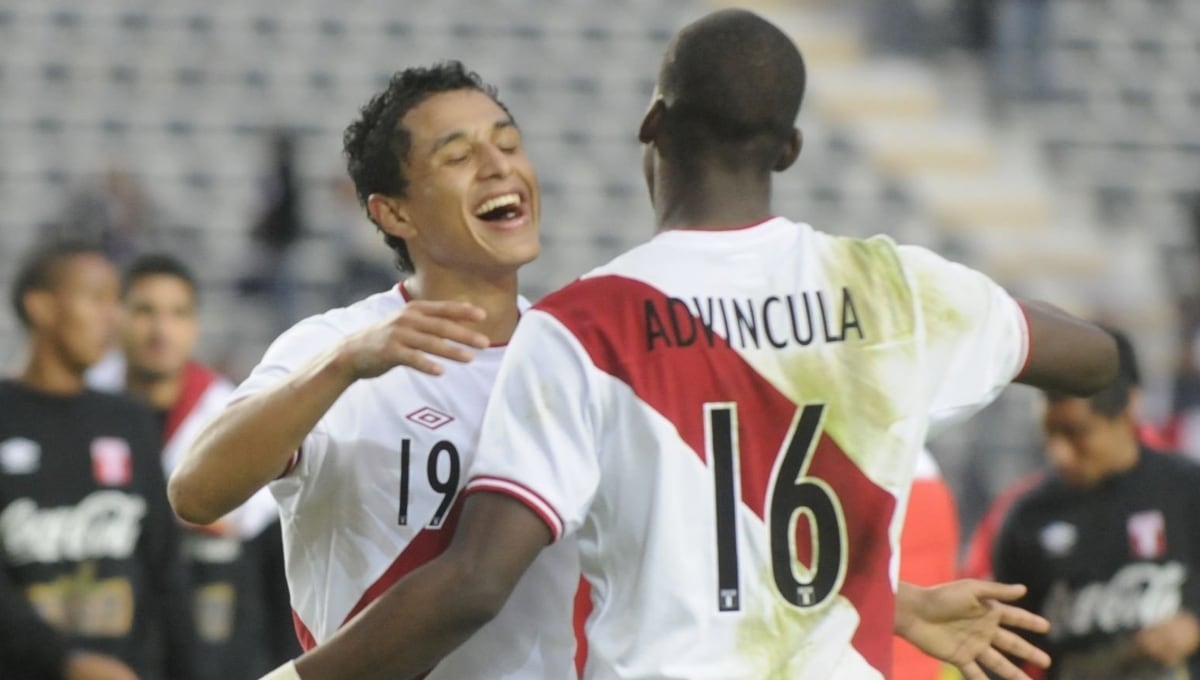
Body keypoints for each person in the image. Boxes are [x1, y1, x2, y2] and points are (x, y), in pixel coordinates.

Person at [274, 9, 1117, 680]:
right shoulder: (893, 291)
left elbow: (477, 583)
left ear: (653, 123)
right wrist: (961, 311)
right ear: (788, 147)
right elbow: (1094, 357)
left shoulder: (582, 326)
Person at [168, 62, 580, 680]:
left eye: (509, 143)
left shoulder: (582, 364)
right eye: (458, 155)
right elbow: (196, 492)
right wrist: (344, 367)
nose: (500, 167)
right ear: (395, 214)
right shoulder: (334, 345)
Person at [0, 242, 195, 680]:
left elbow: (166, 570)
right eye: (96, 299)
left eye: (116, 302)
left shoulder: (129, 420)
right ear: (42, 308)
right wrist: (63, 662)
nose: (113, 317)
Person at [98, 253, 295, 679]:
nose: (160, 330)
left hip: (216, 647)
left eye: (177, 313)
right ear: (116, 317)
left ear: (195, 326)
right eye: (144, 311)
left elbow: (271, 558)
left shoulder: (231, 413)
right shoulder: (83, 407)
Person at [993, 329, 1200, 679]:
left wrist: (1194, 625)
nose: (1060, 454)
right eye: (1049, 435)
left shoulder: (1187, 491)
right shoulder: (1027, 518)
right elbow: (1001, 654)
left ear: (1129, 408)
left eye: (1076, 432)